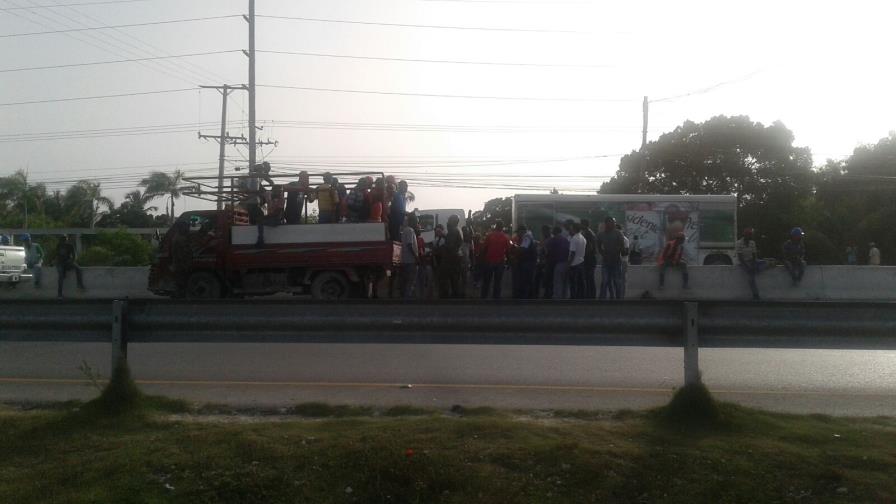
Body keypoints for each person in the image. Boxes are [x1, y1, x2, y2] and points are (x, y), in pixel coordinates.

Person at [480, 220, 512, 299]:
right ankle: (496, 298)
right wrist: (509, 262)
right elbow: (507, 251)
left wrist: (482, 260)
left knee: (486, 281)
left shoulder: (489, 235)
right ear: (502, 227)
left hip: (489, 261)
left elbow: (484, 249)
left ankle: (484, 297)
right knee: (497, 281)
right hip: (500, 261)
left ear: (495, 226)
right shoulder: (505, 237)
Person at [596, 217, 625, 300]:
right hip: (606, 261)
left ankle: (619, 300)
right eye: (611, 222)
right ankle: (602, 299)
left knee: (617, 282)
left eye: (614, 223)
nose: (613, 224)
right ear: (606, 223)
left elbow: (622, 246)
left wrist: (616, 251)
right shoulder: (601, 234)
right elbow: (598, 246)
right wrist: (603, 254)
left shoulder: (618, 233)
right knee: (605, 281)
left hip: (616, 261)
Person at [439, 215, 465, 298]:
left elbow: (450, 246)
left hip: (451, 259)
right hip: (456, 257)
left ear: (453, 221)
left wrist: (440, 248)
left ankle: (447, 297)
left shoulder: (453, 231)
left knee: (446, 279)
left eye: (449, 220)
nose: (447, 222)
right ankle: (455, 295)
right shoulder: (458, 229)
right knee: (455, 279)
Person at [736, 227, 763, 300]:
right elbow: (740, 258)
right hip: (743, 263)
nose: (750, 236)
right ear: (745, 235)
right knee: (751, 278)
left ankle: (757, 269)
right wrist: (748, 267)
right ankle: (756, 294)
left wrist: (753, 265)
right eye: (749, 235)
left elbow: (754, 256)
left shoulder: (752, 243)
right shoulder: (739, 243)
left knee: (767, 262)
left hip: (751, 261)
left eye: (751, 235)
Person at [544, 226, 570, 300]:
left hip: (558, 264)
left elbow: (547, 252)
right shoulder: (565, 240)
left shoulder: (552, 240)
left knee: (558, 282)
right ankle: (565, 297)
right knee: (565, 283)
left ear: (554, 232)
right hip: (566, 263)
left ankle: (557, 298)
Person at [512, 225, 537, 299]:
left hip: (527, 262)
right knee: (528, 279)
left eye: (518, 232)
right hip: (529, 261)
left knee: (525, 279)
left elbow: (523, 249)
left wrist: (516, 248)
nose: (517, 234)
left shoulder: (526, 237)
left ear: (522, 231)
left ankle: (525, 297)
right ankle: (530, 296)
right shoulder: (529, 236)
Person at [170, 220, 193, 298]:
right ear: (182, 228)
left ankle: (179, 296)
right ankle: (179, 297)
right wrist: (185, 264)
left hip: (179, 264)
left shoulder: (178, 236)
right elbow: (182, 253)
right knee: (181, 281)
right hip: (180, 264)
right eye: (187, 227)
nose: (188, 229)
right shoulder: (180, 238)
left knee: (180, 281)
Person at [399, 213, 419, 299]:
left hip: (405, 259)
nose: (417, 224)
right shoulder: (410, 230)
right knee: (410, 280)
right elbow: (409, 245)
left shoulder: (405, 230)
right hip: (410, 260)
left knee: (405, 280)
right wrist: (416, 257)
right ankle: (408, 297)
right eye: (416, 221)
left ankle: (404, 296)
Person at [567, 222, 587, 299]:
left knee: (573, 284)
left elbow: (572, 254)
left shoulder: (574, 239)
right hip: (581, 262)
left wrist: (568, 265)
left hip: (574, 264)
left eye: (571, 227)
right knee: (581, 283)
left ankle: (573, 299)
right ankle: (581, 299)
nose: (570, 229)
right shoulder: (583, 238)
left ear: (574, 228)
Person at [581, 219, 598, 299]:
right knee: (589, 279)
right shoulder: (589, 232)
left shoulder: (587, 233)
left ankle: (590, 296)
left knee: (589, 278)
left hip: (589, 259)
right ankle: (591, 295)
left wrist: (583, 256)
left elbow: (590, 247)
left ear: (583, 224)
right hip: (591, 259)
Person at [533, 225, 551, 299]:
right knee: (543, 279)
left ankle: (544, 294)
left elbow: (546, 251)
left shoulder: (547, 240)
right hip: (543, 262)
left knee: (542, 279)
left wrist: (540, 248)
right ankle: (545, 294)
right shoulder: (547, 238)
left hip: (544, 262)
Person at [616, 223, 631, 299]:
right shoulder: (614, 239)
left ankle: (622, 297)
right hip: (616, 261)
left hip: (623, 261)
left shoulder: (625, 240)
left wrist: (618, 249)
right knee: (617, 280)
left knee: (622, 280)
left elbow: (626, 253)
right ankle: (618, 296)